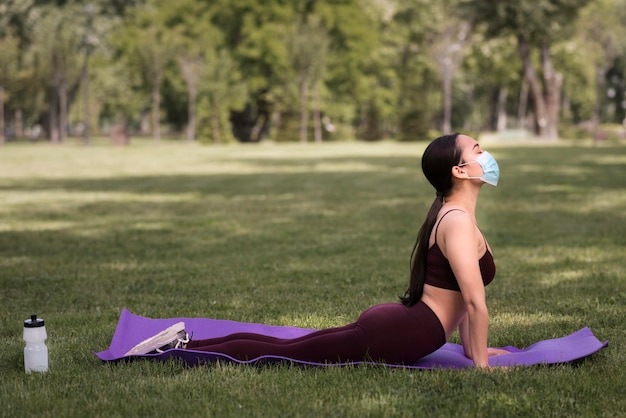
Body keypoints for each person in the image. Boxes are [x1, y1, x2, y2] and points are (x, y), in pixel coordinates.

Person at [125, 133, 508, 368]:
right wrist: (480, 367)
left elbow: (460, 301)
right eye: (478, 149)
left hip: (406, 325)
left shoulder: (455, 215)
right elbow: (474, 304)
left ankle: (182, 343)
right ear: (459, 170)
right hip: (404, 332)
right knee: (285, 352)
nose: (486, 155)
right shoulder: (456, 222)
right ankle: (179, 349)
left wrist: (478, 350)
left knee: (289, 346)